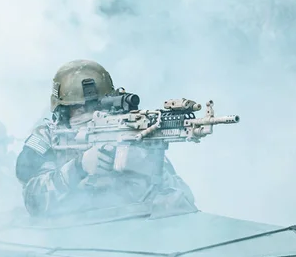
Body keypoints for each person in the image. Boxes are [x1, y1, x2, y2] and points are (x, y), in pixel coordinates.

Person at [15, 59, 196, 219]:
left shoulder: (132, 135)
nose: (91, 117)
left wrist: (148, 168)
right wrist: (79, 167)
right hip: (68, 236)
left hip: (128, 234)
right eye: (79, 110)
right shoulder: (49, 138)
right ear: (62, 112)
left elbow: (185, 200)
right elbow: (34, 203)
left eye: (97, 107)